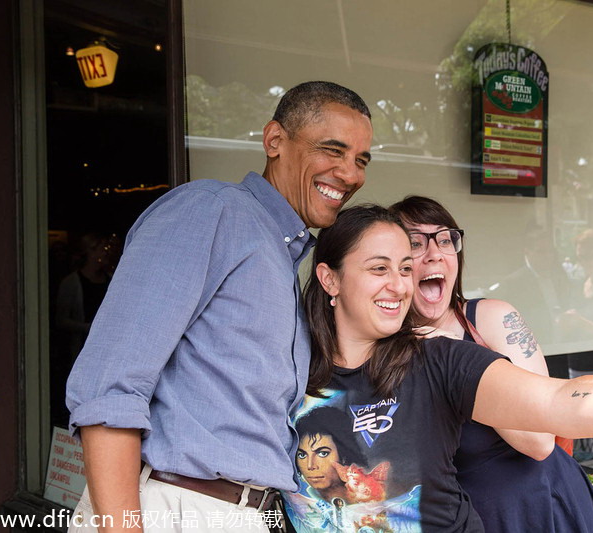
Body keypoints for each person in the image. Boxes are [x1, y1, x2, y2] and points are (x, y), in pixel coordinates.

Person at [282, 204, 593, 532]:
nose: (400, 285)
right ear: (330, 279)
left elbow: (561, 401)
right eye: (379, 268)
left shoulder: (436, 360)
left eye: (405, 269)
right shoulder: (288, 372)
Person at [65, 81, 373, 532]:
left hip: (243, 513)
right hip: (172, 507)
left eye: (361, 160)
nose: (350, 174)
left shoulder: (282, 255)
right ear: (275, 140)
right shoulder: (211, 211)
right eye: (333, 150)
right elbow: (110, 391)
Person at [389, 196, 593, 531]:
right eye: (415, 243)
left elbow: (539, 442)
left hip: (539, 505)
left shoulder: (493, 318)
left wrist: (454, 358)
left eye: (445, 240)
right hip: (458, 520)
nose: (434, 253)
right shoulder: (385, 350)